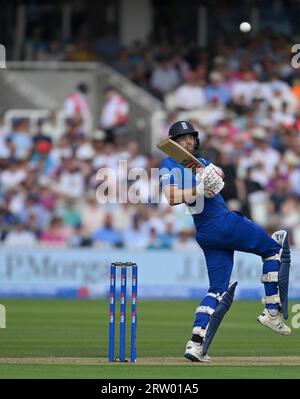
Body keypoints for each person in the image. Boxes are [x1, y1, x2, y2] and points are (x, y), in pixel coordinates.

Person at [159, 120, 291, 362]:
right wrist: (199, 190)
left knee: (217, 290)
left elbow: (217, 177)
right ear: (172, 142)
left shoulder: (202, 163)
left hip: (208, 234)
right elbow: (171, 197)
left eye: (191, 137)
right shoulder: (168, 164)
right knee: (274, 250)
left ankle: (195, 344)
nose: (188, 142)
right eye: (182, 139)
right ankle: (272, 311)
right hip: (221, 223)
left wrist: (215, 175)